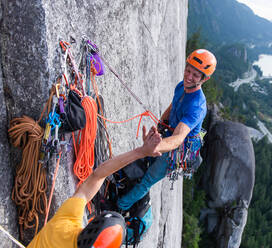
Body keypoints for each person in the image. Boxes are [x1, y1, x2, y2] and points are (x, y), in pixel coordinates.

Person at [27, 126, 162, 248]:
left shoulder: (66, 222)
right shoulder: (68, 219)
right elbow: (98, 176)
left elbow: (98, 175)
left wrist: (141, 152)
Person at [117, 49, 217, 211]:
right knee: (144, 162)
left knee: (148, 179)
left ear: (204, 79)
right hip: (168, 134)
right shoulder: (181, 86)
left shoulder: (197, 106)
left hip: (178, 149)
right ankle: (125, 187)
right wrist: (160, 125)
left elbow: (178, 138)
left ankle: (120, 207)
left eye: (195, 75)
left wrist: (154, 146)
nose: (188, 76)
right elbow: (173, 106)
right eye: (188, 70)